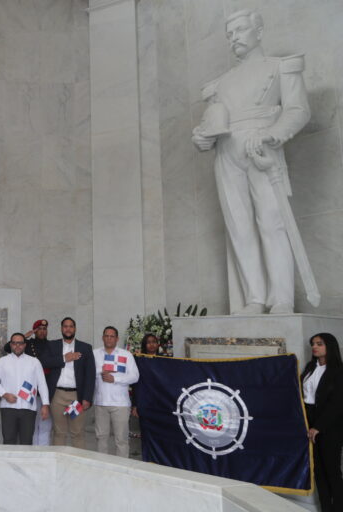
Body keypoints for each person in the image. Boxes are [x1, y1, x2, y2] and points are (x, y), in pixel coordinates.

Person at [191, 9, 311, 315]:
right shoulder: (220, 84)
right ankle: (255, 297)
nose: (234, 39)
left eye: (241, 31)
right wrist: (203, 138)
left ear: (258, 32)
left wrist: (274, 133)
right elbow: (213, 122)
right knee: (239, 227)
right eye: (229, 34)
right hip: (227, 153)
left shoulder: (281, 67)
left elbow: (298, 110)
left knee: (272, 222)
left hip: (263, 148)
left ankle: (281, 298)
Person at [301, 333, 343, 512]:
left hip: (329, 424)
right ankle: (326, 508)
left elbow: (338, 403)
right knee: (318, 471)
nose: (314, 347)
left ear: (330, 346)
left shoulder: (338, 371)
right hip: (309, 421)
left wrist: (319, 426)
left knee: (332, 470)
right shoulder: (310, 367)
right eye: (313, 344)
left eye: (319, 344)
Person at [40, 317, 95, 448]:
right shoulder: (52, 345)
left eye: (71, 326)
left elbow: (90, 374)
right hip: (57, 395)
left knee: (78, 432)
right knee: (59, 432)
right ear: (61, 328)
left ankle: (78, 465)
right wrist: (65, 358)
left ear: (75, 329)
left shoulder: (85, 347)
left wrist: (87, 397)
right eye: (65, 326)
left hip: (77, 397)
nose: (68, 329)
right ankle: (58, 464)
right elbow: (43, 362)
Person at [0, 333, 50, 445]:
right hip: (8, 408)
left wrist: (45, 405)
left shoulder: (34, 362)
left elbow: (42, 384)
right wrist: (4, 394)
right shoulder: (2, 361)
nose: (17, 346)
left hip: (28, 408)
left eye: (20, 343)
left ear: (25, 345)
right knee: (8, 441)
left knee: (27, 442)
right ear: (11, 345)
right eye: (14, 343)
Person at [3, 319, 52, 445]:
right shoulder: (27, 344)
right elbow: (8, 348)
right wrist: (24, 336)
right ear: (35, 331)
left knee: (45, 426)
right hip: (29, 393)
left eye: (44, 329)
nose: (42, 331)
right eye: (39, 329)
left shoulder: (52, 345)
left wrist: (46, 402)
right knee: (30, 429)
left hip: (46, 388)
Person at [93, 326, 139, 458]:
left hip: (120, 404)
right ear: (102, 338)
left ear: (117, 339)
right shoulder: (94, 354)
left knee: (122, 440)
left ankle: (122, 468)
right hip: (100, 402)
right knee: (101, 438)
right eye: (106, 336)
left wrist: (115, 378)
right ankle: (102, 466)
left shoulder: (126, 355)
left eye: (112, 336)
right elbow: (88, 372)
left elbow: (135, 376)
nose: (109, 338)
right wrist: (101, 371)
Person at [131, 333, 160, 418]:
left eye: (154, 342)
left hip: (160, 401)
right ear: (144, 345)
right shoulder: (139, 361)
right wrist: (135, 405)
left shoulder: (165, 360)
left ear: (158, 344)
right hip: (144, 400)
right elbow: (136, 385)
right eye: (148, 342)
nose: (152, 344)